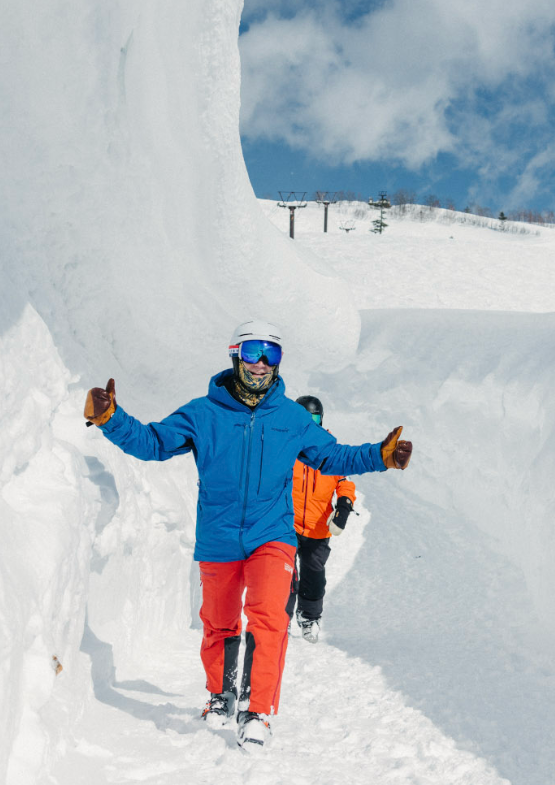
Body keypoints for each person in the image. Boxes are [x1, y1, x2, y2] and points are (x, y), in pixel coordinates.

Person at [83, 320, 412, 751]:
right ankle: (222, 696)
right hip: (218, 536)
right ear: (236, 354)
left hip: (271, 534)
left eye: (271, 354)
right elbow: (154, 442)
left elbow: (332, 455)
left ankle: (257, 711)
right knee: (218, 623)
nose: (261, 364)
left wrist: (381, 456)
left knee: (269, 618)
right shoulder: (203, 412)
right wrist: (111, 419)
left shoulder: (292, 417)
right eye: (254, 352)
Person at [289, 395, 355, 644]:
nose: (309, 423)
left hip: (317, 526)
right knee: (283, 573)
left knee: (314, 575)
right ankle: (280, 619)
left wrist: (345, 504)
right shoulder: (286, 446)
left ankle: (309, 617)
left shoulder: (330, 448)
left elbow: (344, 481)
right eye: (304, 418)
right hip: (287, 523)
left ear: (321, 419)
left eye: (314, 417)